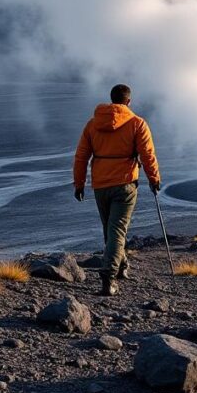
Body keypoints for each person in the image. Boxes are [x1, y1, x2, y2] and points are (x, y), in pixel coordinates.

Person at [72, 84, 161, 296]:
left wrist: (79, 183)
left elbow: (81, 156)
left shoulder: (93, 125)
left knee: (110, 229)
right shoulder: (137, 124)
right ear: (128, 101)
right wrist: (154, 178)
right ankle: (108, 277)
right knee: (117, 230)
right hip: (125, 185)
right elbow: (147, 154)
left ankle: (121, 267)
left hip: (101, 185)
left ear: (111, 100)